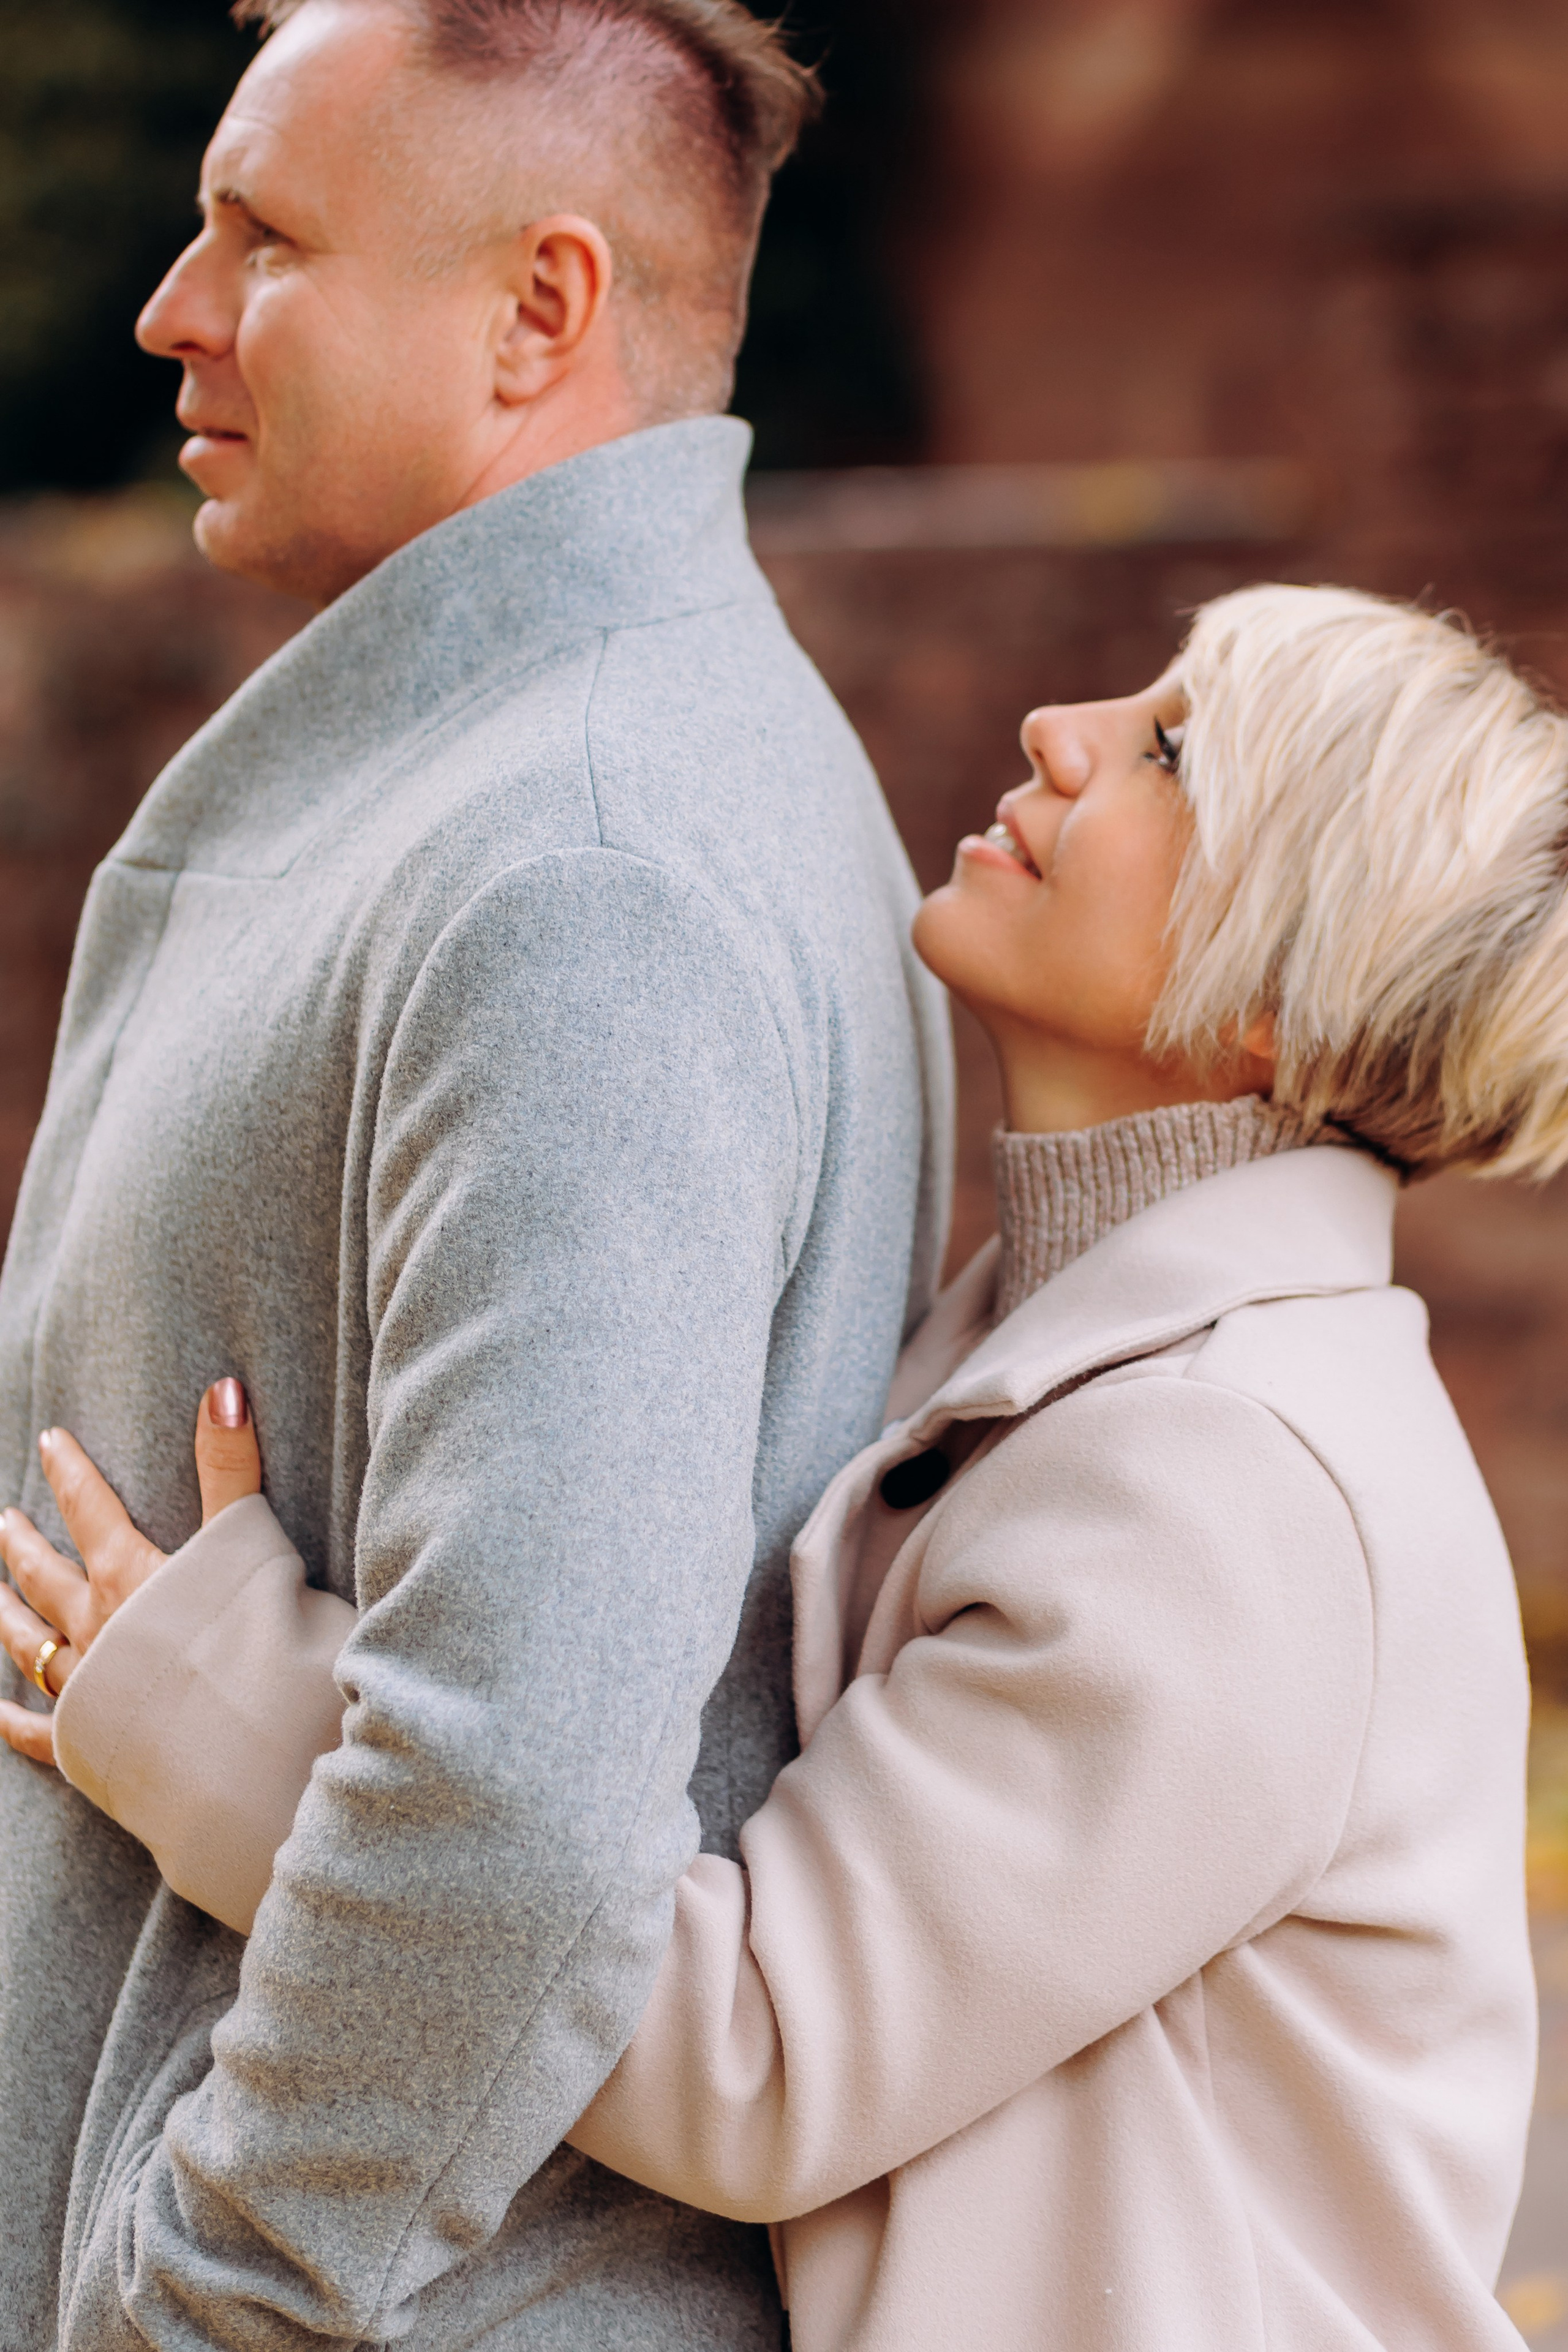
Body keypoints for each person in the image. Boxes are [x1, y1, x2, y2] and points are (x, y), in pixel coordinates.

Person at [4, 582, 1549, 2348]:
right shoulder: (1071, 1371)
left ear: (1281, 989)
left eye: (1174, 754)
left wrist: (218, 1705)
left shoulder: (1233, 1486)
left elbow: (759, 2056)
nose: (1067, 730)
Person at [0, 0, 952, 2344]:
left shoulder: (584, 864)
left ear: (541, 310)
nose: (172, 309)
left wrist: (209, 2280)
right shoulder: (508, 784)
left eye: (264, 236)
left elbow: (516, 1794)